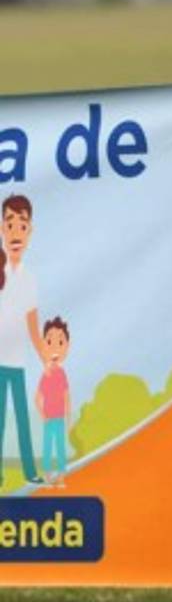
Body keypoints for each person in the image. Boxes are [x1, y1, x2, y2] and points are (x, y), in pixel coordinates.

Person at [0, 195, 45, 486]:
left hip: (17, 363)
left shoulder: (28, 279)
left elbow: (32, 325)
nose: (16, 232)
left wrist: (47, 358)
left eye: (22, 225)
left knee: (23, 418)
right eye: (10, 224)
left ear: (30, 231)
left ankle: (30, 471)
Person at [36, 316, 71, 487]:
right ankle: (49, 478)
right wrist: (43, 415)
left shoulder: (62, 374)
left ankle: (61, 477)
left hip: (59, 417)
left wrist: (68, 417)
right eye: (50, 342)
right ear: (44, 345)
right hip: (49, 418)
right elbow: (37, 398)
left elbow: (66, 396)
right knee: (48, 448)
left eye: (61, 342)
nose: (55, 347)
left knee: (60, 448)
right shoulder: (45, 375)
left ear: (67, 346)